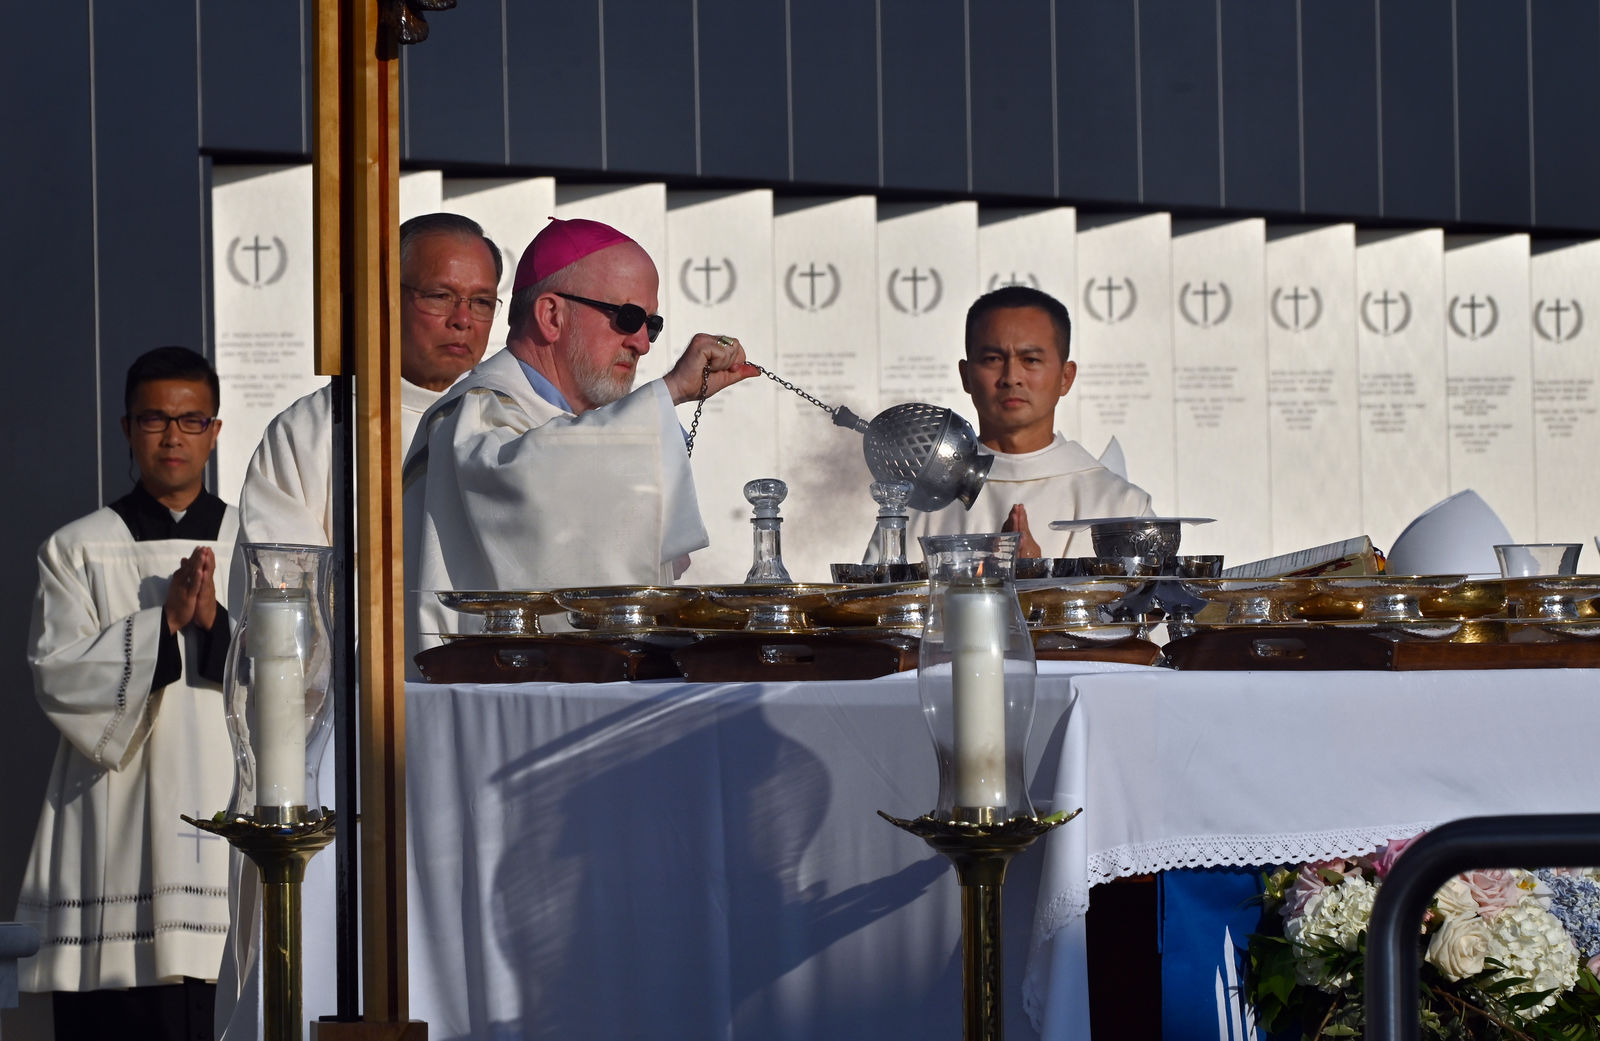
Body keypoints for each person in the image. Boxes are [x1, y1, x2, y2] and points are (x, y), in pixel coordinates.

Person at [404, 216, 757, 661]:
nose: (643, 344)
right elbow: (531, 489)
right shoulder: (476, 412)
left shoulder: (583, 425)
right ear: (552, 315)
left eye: (652, 323)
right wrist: (668, 392)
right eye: (628, 317)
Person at [17, 346, 236, 1041]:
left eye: (190, 419)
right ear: (126, 427)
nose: (172, 436)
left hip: (227, 811)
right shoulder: (77, 547)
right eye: (154, 420)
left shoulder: (255, 542)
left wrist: (216, 624)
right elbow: (56, 671)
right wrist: (163, 626)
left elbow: (303, 675)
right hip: (114, 831)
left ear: (216, 430)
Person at [235, 212, 503, 545]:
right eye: (439, 296)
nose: (463, 319)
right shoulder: (311, 432)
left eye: (481, 302)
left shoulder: (507, 422)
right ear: (386, 298)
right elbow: (283, 582)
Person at [883, 285, 1152, 559]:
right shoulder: (921, 504)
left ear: (1065, 377)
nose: (1011, 377)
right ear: (966, 376)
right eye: (992, 359)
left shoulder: (1121, 506)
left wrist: (1035, 581)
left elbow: (1151, 600)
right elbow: (879, 600)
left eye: (1031, 359)